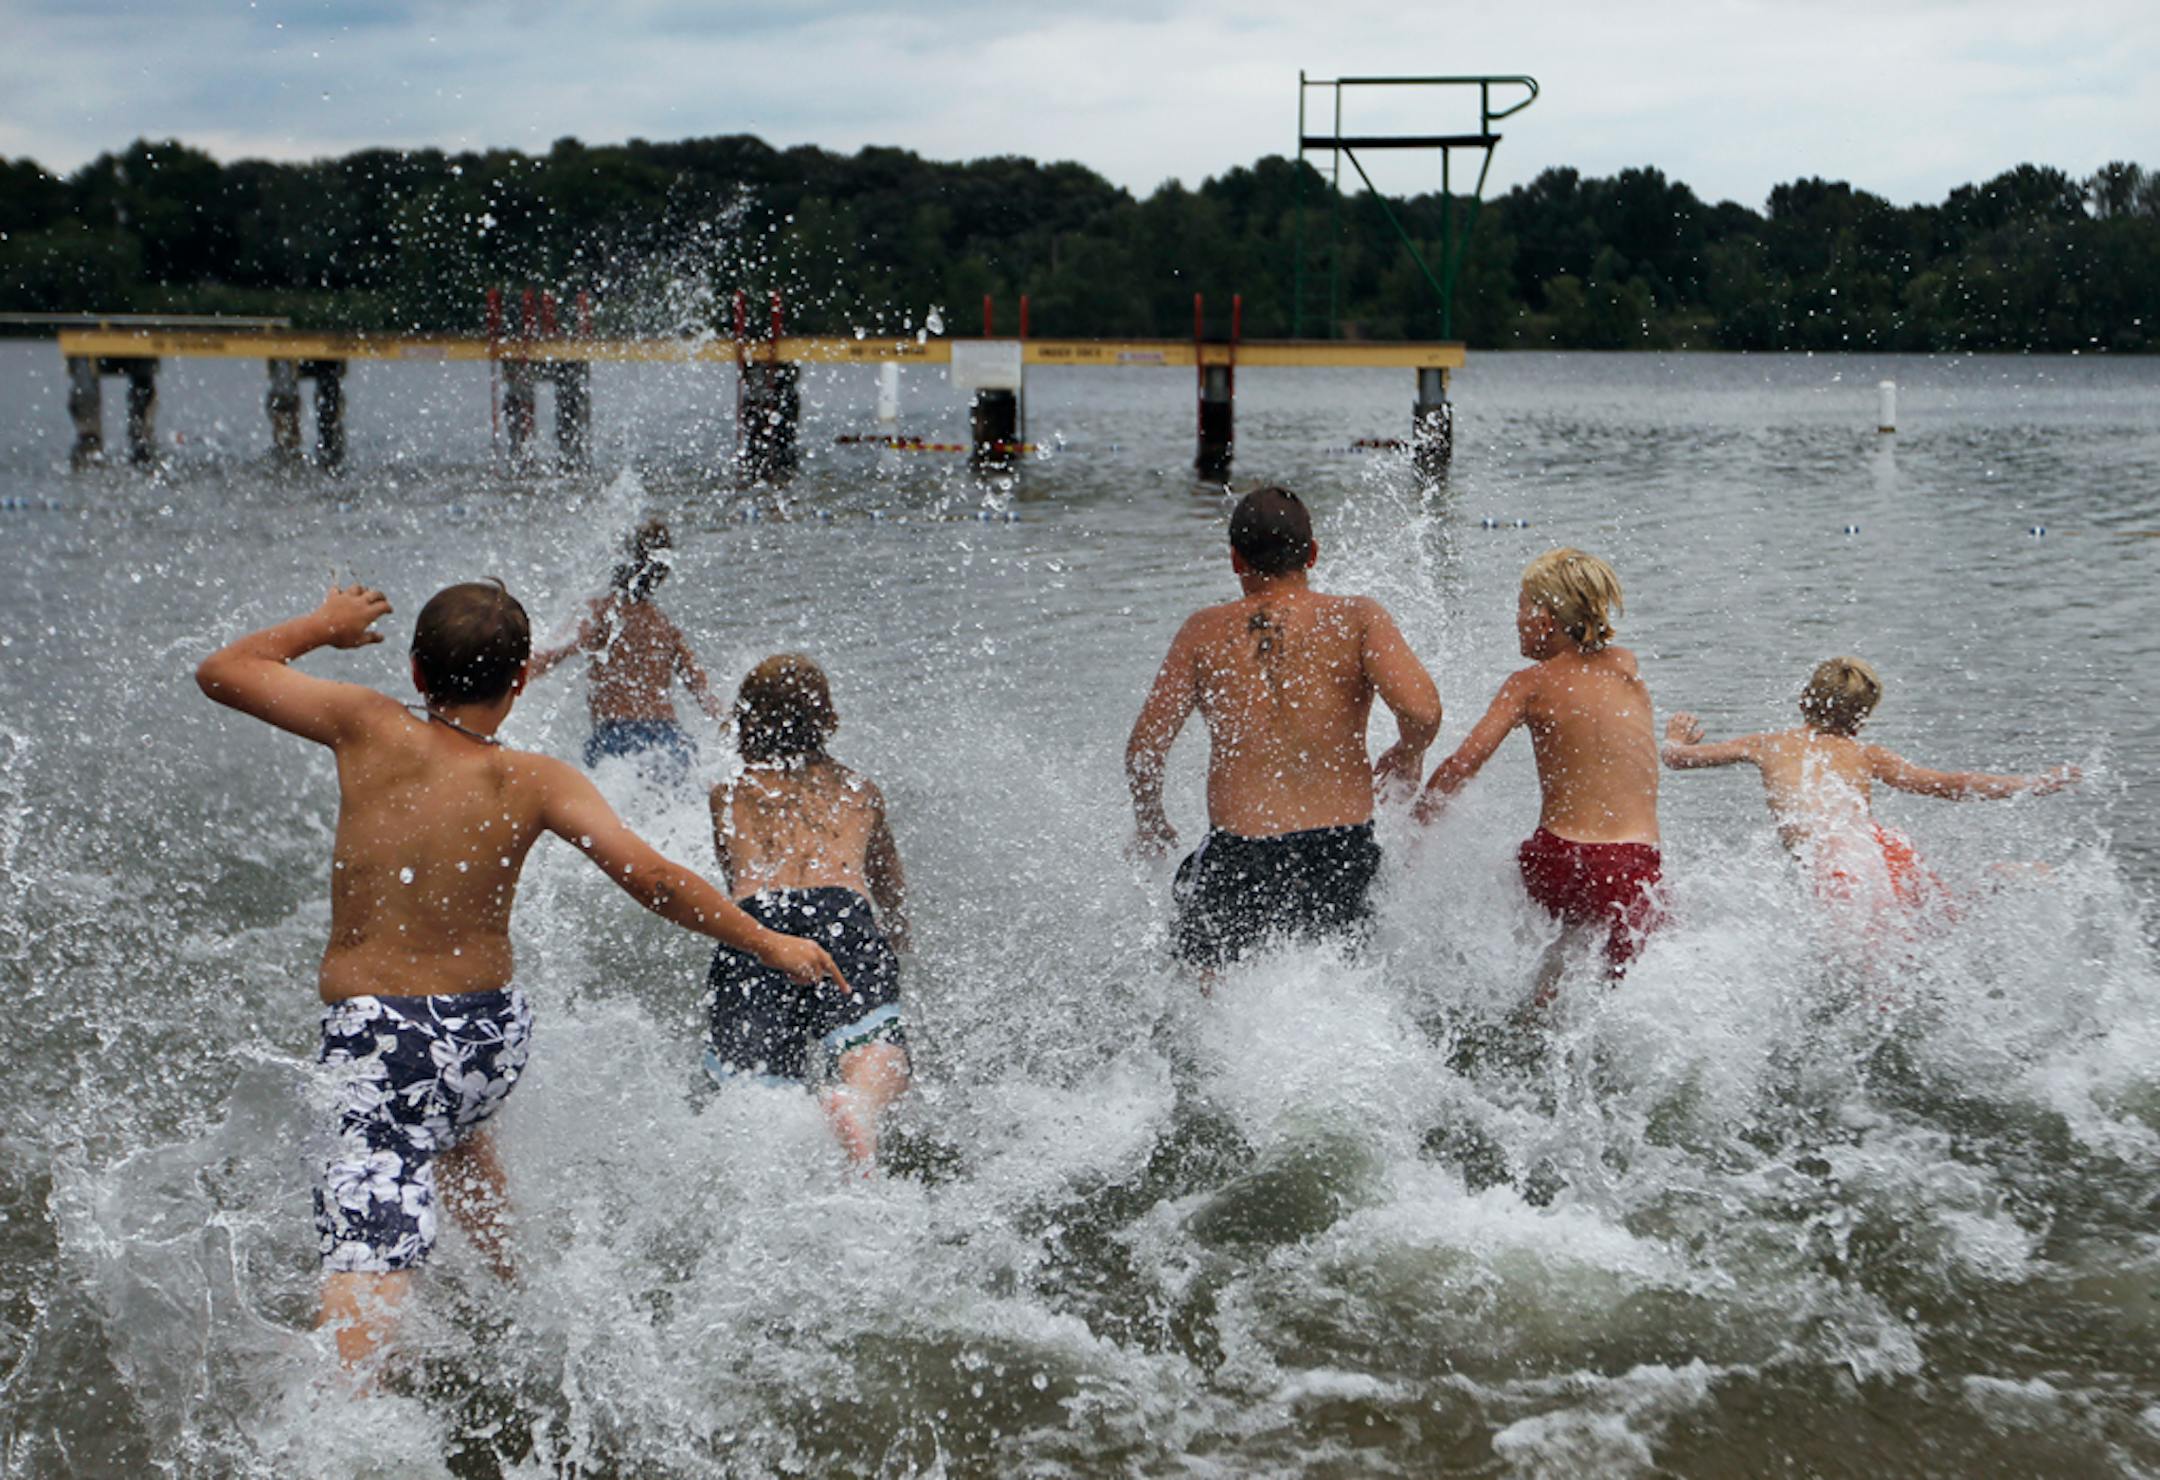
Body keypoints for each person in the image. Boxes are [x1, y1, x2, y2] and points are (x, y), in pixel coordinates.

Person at [195, 580, 844, 1373]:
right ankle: (528, 1317)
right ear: (520, 681)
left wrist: (325, 625)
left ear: (416, 673)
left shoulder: (365, 724)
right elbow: (653, 876)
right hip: (486, 1038)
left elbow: (224, 669)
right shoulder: (539, 780)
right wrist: (767, 942)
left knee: (367, 1257)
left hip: (383, 1040)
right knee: (458, 1140)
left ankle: (345, 1416)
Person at [1125, 486, 1442, 968]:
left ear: (1235, 559)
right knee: (1344, 989)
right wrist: (1407, 752)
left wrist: (1150, 820)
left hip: (1240, 855)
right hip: (1341, 849)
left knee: (1207, 993)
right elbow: (1423, 713)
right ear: (1312, 554)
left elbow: (1145, 748)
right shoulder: (1356, 619)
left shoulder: (1202, 632)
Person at [1414, 547, 1662, 989]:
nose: (1515, 619)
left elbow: (1462, 764)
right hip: (1628, 865)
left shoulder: (1527, 685)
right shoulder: (1627, 666)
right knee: (1632, 988)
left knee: (1548, 981)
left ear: (1545, 619)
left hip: (1556, 859)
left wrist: (1415, 823)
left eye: (1520, 606)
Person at [1661, 655, 2079, 912]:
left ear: (1805, 700)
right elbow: (1951, 783)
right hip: (1877, 848)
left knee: (1865, 968)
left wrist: (1675, 737)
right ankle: (1995, 881)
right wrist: (2031, 783)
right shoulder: (1866, 754)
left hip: (1837, 863)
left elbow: (1677, 760)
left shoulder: (1769, 744)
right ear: (1862, 716)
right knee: (1936, 920)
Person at [707, 654, 911, 1167]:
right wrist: (898, 929)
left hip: (758, 923)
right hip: (841, 913)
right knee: (874, 1046)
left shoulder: (728, 794)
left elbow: (735, 876)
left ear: (748, 721)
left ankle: (774, 1169)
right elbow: (887, 878)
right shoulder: (861, 790)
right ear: (827, 720)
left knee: (754, 1079)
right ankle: (857, 1102)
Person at [529, 517, 724, 783]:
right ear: (661, 572)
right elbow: (702, 690)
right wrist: (729, 723)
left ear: (619, 560)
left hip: (619, 737)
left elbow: (556, 654)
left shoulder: (601, 612)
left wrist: (509, 679)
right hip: (670, 738)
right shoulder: (663, 626)